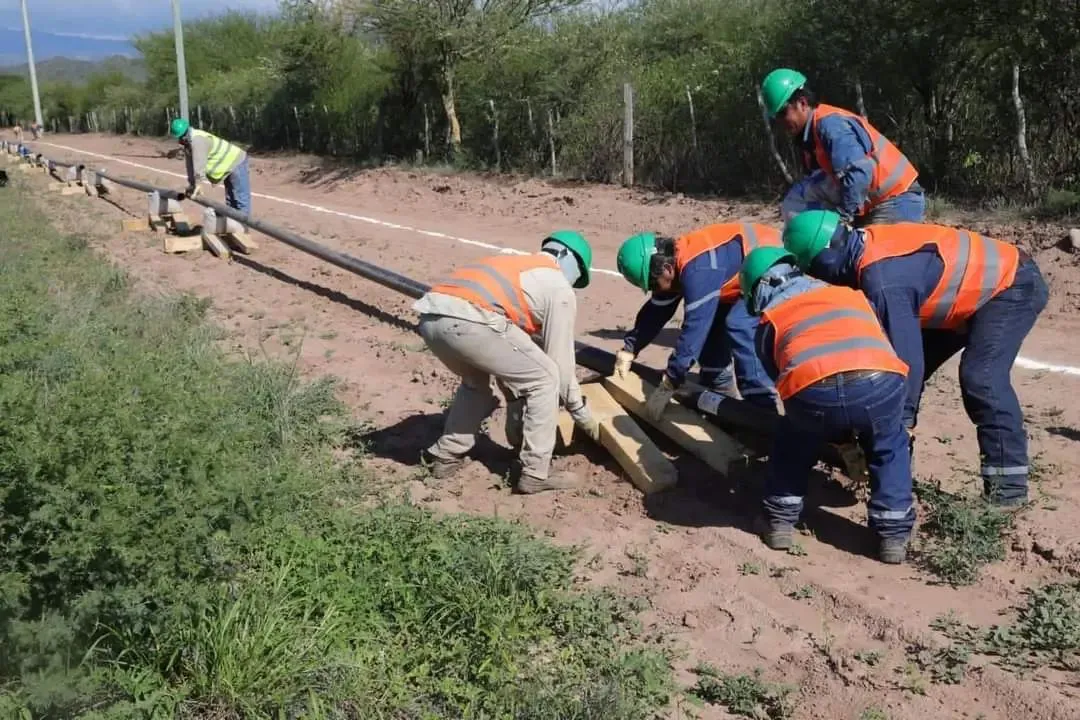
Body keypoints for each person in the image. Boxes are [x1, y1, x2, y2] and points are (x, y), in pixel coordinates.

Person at [782, 210, 1050, 508]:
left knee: (982, 377)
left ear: (826, 256)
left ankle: (1008, 492)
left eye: (815, 269)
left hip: (1011, 284)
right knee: (894, 379)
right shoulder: (864, 252)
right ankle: (892, 469)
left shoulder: (882, 278)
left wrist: (900, 426)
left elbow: (905, 360)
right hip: (965, 296)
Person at [740, 246, 914, 563]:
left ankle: (779, 520)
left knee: (795, 437)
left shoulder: (770, 322)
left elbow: (786, 382)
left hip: (812, 390)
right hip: (880, 379)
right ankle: (893, 537)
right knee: (889, 442)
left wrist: (832, 431)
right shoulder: (852, 296)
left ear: (759, 288)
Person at [414, 231, 600, 494]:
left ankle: (446, 456)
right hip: (472, 320)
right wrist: (582, 414)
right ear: (572, 261)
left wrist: (515, 403)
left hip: (432, 316)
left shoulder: (516, 264)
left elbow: (508, 355)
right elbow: (561, 363)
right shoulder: (558, 286)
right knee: (546, 377)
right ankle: (536, 473)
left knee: (475, 384)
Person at [613, 223, 781, 421]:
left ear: (666, 268)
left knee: (739, 324)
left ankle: (763, 411)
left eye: (652, 284)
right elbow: (656, 311)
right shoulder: (674, 266)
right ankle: (722, 396)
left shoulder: (697, 271)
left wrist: (671, 381)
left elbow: (694, 331)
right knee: (713, 326)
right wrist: (629, 349)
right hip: (743, 275)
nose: (653, 290)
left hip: (771, 267)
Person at [760, 68, 925, 227]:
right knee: (801, 194)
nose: (781, 122)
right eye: (776, 117)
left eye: (782, 113)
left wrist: (843, 218)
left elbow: (859, 174)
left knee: (865, 254)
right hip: (875, 203)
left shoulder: (831, 126)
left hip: (898, 200)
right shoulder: (809, 138)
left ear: (802, 103)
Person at [168, 118, 251, 215]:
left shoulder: (197, 140)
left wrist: (198, 183)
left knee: (240, 199)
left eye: (180, 138)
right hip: (227, 165)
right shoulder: (189, 143)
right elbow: (190, 165)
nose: (179, 141)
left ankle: (243, 225)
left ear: (184, 135)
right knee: (230, 198)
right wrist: (192, 184)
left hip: (236, 161)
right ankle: (232, 222)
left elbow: (199, 162)